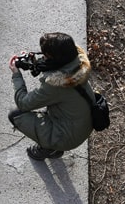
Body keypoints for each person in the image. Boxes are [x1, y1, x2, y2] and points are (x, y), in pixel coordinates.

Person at [8, 32, 95, 160]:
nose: (42, 56)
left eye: (45, 55)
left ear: (52, 57)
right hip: (83, 124)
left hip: (68, 137)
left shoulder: (56, 85)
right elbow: (54, 65)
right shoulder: (76, 62)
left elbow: (23, 103)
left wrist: (16, 74)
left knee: (15, 115)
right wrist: (33, 62)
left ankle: (51, 149)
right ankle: (53, 143)